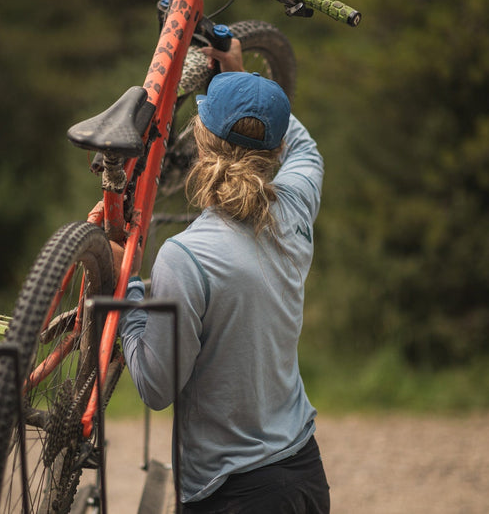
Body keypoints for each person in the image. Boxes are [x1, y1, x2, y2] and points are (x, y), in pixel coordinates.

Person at [114, 40, 329, 513]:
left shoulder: (186, 257)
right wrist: (250, 83)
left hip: (230, 494)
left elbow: (155, 386)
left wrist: (125, 289)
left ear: (201, 138)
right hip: (305, 476)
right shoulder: (294, 209)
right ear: (274, 150)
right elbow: (305, 147)